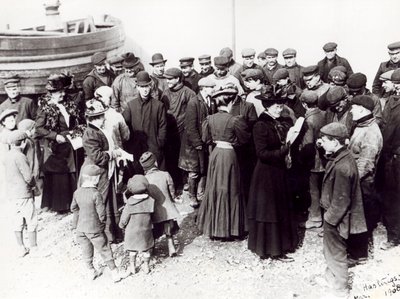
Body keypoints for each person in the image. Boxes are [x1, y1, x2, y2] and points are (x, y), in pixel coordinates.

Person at [315, 122, 366, 298]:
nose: (321, 142)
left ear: (335, 142)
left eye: (324, 140)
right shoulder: (342, 156)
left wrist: (330, 219)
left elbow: (341, 200)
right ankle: (331, 277)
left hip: (337, 217)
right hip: (335, 215)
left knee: (336, 252)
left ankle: (340, 288)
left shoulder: (342, 167)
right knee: (330, 249)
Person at [247, 92, 298, 262]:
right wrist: (286, 147)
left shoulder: (280, 122)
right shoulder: (261, 125)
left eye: (281, 105)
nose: (279, 108)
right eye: (276, 106)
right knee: (270, 211)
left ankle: (280, 246)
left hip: (278, 172)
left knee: (278, 209)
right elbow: (262, 154)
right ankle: (273, 250)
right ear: (267, 106)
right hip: (266, 175)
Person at [197, 84, 250, 240]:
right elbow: (244, 139)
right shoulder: (235, 120)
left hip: (216, 154)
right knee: (231, 189)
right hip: (229, 155)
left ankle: (214, 227)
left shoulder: (209, 119)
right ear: (231, 102)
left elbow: (205, 139)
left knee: (215, 188)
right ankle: (230, 229)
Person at [81, 98, 130, 243]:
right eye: (101, 116)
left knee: (109, 200)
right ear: (94, 118)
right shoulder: (90, 133)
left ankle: (113, 234)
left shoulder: (100, 130)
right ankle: (103, 235)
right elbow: (97, 157)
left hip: (105, 171)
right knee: (101, 201)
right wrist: (112, 154)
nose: (103, 118)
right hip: (97, 173)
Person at [35, 74, 82, 213]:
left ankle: (74, 203)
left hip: (71, 142)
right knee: (60, 174)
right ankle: (61, 205)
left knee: (73, 170)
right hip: (56, 146)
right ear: (51, 93)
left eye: (63, 91)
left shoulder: (68, 103)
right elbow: (38, 128)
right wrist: (54, 136)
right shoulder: (45, 107)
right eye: (59, 92)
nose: (62, 94)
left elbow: (76, 119)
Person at [71, 164, 123, 282]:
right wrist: (102, 224)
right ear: (94, 179)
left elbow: (73, 208)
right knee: (104, 248)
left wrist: (78, 220)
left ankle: (91, 271)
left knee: (86, 250)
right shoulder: (96, 193)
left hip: (81, 228)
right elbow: (102, 213)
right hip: (94, 228)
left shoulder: (77, 192)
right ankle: (114, 272)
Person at [347, 95, 382, 265]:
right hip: (358, 181)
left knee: (359, 219)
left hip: (362, 183)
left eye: (353, 107)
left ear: (362, 109)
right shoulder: (362, 126)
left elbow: (366, 163)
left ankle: (358, 255)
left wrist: (351, 180)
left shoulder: (370, 131)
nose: (351, 110)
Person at [178, 77, 216, 207]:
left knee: (204, 169)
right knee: (194, 171)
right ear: (203, 89)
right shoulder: (193, 103)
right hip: (193, 144)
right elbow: (190, 126)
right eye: (211, 87)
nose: (213, 89)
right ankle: (192, 196)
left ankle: (201, 194)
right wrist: (197, 143)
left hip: (206, 142)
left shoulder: (211, 101)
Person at [123, 71, 167, 173]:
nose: (145, 90)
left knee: (155, 172)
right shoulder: (131, 105)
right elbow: (125, 126)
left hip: (154, 146)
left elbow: (163, 126)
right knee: (138, 173)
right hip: (136, 147)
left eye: (146, 86)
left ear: (151, 86)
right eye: (142, 87)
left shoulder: (158, 105)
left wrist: (160, 142)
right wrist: (130, 144)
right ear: (137, 87)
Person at [4, 130, 38, 258]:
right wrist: (34, 186)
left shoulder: (7, 156)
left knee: (17, 221)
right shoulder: (20, 156)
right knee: (31, 220)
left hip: (12, 195)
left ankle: (21, 248)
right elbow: (28, 177)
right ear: (23, 143)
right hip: (24, 193)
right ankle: (34, 248)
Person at [161, 68, 196, 189]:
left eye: (170, 79)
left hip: (184, 131)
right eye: (166, 79)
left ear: (178, 79)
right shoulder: (165, 92)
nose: (167, 81)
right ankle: (175, 183)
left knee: (185, 158)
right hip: (170, 131)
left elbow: (194, 113)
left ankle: (185, 182)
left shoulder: (189, 93)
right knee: (171, 157)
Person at [140, 152, 180, 257]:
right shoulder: (165, 174)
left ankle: (151, 249)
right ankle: (171, 246)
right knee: (168, 224)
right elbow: (172, 190)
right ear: (156, 163)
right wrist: (172, 199)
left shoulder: (144, 180)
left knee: (152, 229)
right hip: (167, 209)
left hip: (152, 210)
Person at [298, 91, 326, 229]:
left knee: (313, 190)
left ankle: (315, 218)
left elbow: (308, 144)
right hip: (324, 159)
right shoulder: (324, 114)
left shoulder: (309, 120)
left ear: (304, 104)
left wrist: (301, 159)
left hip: (313, 161)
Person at [380, 69, 400, 250]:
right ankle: (394, 236)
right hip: (392, 157)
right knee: (393, 197)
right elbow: (386, 126)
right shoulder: (391, 101)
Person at [119, 175, 155, 275]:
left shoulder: (129, 203)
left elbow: (124, 218)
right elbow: (152, 215)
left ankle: (132, 267)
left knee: (132, 250)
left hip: (132, 232)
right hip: (145, 230)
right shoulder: (150, 201)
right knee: (146, 250)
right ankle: (146, 267)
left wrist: (121, 225)